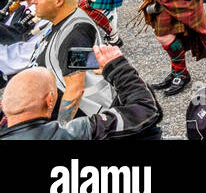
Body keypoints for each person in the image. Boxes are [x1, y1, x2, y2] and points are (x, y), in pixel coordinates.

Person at [0, 45, 162, 140]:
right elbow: (145, 112)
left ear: (4, 105)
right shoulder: (70, 133)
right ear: (50, 101)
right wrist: (118, 68)